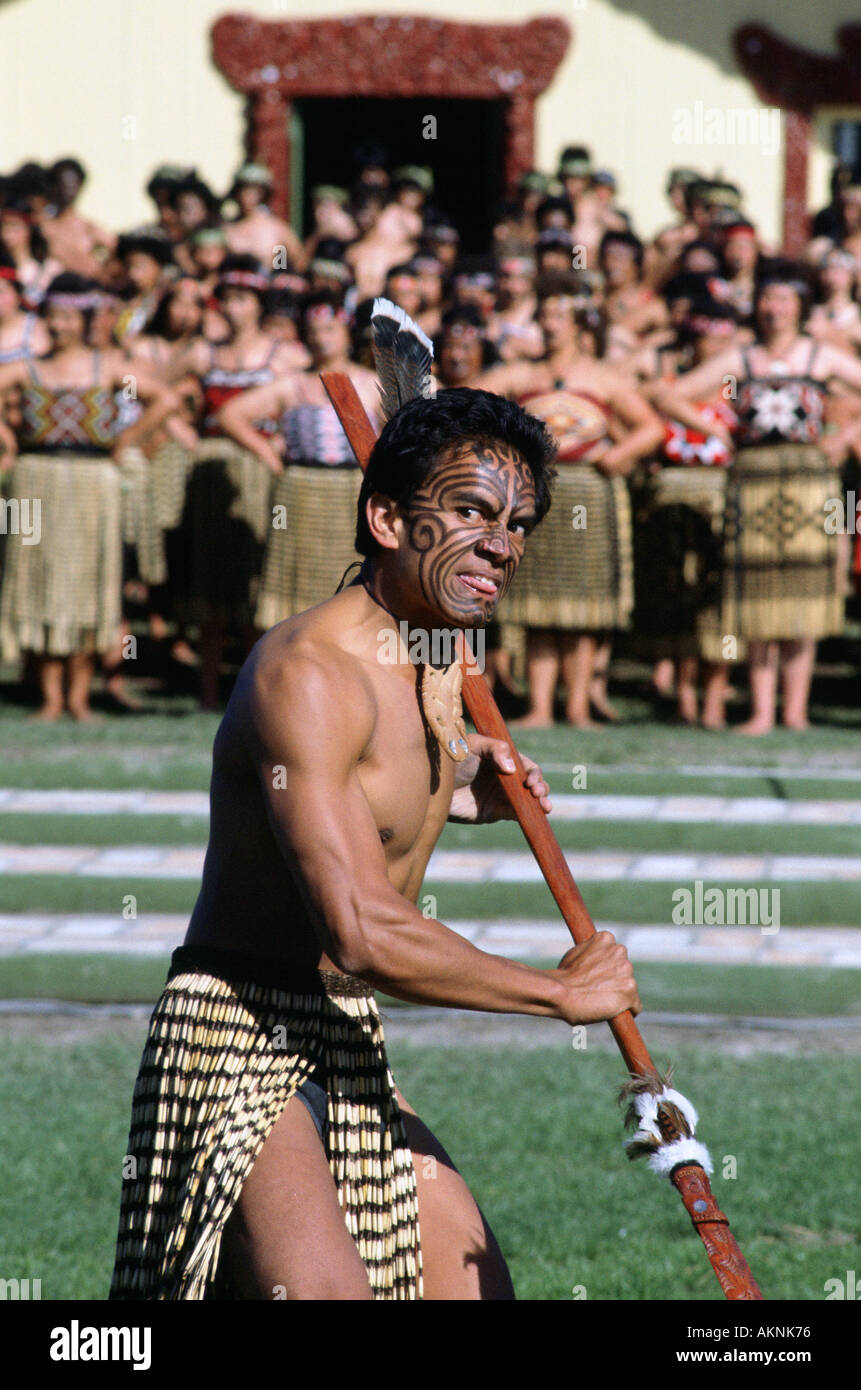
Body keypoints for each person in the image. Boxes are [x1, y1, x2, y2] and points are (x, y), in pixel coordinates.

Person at [108, 386, 641, 1301]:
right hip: (238, 1039)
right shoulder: (307, 674)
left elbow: (371, 797)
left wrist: (462, 790)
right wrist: (557, 993)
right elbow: (360, 929)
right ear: (388, 518)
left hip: (347, 1034)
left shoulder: (433, 654)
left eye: (517, 523)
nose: (503, 545)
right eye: (471, 512)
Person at [653, 262, 861, 733]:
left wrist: (845, 433)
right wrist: (716, 430)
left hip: (810, 480)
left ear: (800, 306)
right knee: (759, 597)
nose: (775, 308)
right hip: (753, 479)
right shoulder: (740, 359)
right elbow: (667, 395)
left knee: (804, 597)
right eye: (768, 299)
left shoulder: (820, 356)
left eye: (784, 299)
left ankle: (796, 712)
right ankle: (764, 711)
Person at [476, 273, 664, 726]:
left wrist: (619, 454)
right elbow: (468, 402)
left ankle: (577, 705)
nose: (549, 323)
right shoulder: (522, 374)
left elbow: (652, 428)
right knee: (539, 607)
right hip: (536, 494)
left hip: (589, 493)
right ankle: (540, 707)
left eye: (559, 315)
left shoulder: (605, 377)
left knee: (582, 609)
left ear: (580, 323)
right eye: (544, 315)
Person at [0, 273, 179, 718]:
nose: (58, 326)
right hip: (35, 479)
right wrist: (8, 440)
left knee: (87, 586)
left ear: (82, 320)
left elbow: (166, 400)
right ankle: (49, 697)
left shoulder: (108, 367)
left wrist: (125, 442)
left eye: (66, 317)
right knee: (38, 582)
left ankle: (79, 697)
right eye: (52, 318)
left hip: (92, 481)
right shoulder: (27, 368)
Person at [168, 255, 297, 707]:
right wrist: (188, 435)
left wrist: (281, 444)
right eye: (226, 299)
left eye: (242, 299)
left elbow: (300, 402)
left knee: (255, 580)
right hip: (211, 472)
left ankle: (254, 689)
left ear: (259, 303)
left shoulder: (285, 355)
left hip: (261, 473)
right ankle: (207, 692)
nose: (233, 308)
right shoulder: (204, 352)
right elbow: (161, 393)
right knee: (211, 584)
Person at [218, 290, 380, 628]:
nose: (322, 339)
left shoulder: (372, 384)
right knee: (299, 579)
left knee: (348, 569)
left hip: (353, 489)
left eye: (330, 329)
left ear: (347, 331)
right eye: (315, 331)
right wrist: (272, 458)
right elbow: (231, 414)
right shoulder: (291, 385)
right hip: (301, 489)